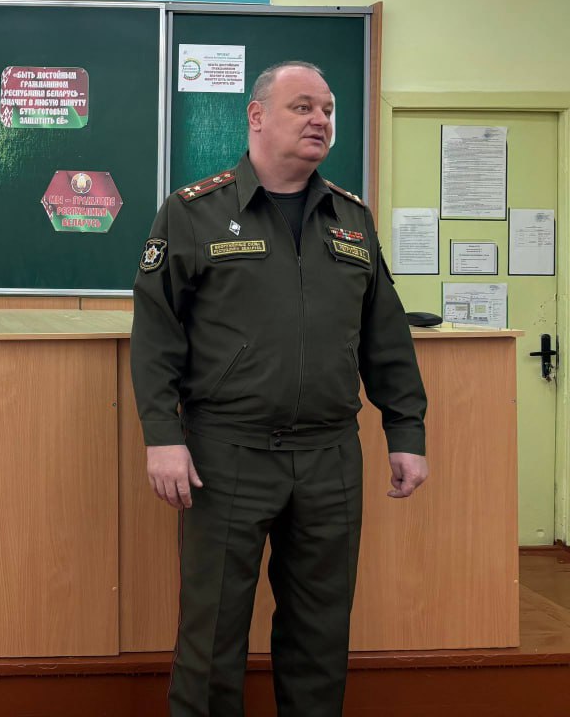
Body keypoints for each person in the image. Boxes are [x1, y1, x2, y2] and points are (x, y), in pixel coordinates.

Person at [131, 61, 429, 717]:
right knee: (212, 632)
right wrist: (162, 436)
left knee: (321, 635)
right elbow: (155, 335)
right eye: (303, 106)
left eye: (328, 109)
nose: (320, 119)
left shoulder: (351, 218)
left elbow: (385, 336)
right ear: (257, 116)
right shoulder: (194, 213)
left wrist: (405, 430)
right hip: (226, 453)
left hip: (330, 455)